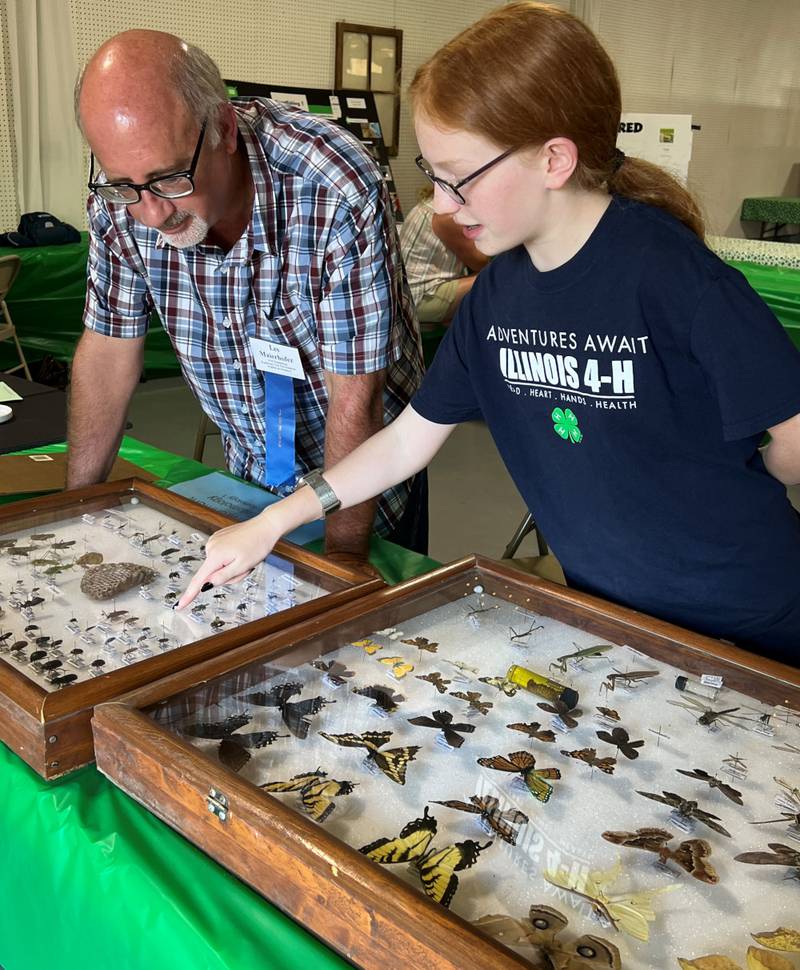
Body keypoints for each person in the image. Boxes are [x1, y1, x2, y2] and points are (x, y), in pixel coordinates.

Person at [180, 2, 800, 664]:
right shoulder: (495, 298)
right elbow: (403, 444)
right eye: (432, 175)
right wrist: (273, 521)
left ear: (554, 159)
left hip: (752, 618)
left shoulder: (671, 276)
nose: (442, 205)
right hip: (620, 618)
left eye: (460, 179)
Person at [69, 30, 427, 571]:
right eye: (122, 185)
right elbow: (106, 354)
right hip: (252, 477)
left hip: (366, 483)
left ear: (225, 129)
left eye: (168, 180)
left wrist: (339, 566)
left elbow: (357, 394)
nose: (150, 214)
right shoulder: (119, 204)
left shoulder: (330, 184)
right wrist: (77, 513)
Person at [400, 186, 489, 324]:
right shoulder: (447, 216)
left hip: (406, 294)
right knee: (498, 277)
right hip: (421, 298)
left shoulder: (429, 204)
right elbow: (480, 262)